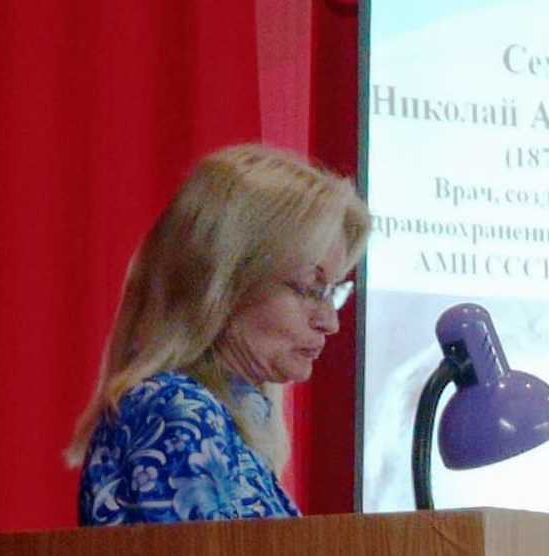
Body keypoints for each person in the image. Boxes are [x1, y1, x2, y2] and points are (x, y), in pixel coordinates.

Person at [65, 144, 370, 525]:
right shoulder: (176, 410)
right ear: (224, 286)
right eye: (311, 289)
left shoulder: (224, 419)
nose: (330, 321)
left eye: (332, 292)